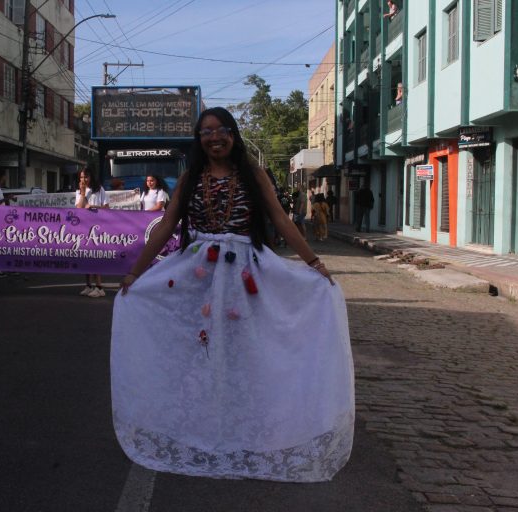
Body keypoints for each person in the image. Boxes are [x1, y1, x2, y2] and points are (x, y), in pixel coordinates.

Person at [112, 107, 354, 482]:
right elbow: (166, 225)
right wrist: (135, 272)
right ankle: (205, 427)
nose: (214, 137)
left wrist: (314, 263)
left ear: (233, 134)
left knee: (245, 351)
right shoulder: (192, 176)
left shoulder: (252, 173)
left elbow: (279, 218)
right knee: (200, 349)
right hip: (197, 274)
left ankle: (246, 429)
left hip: (245, 275)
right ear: (199, 139)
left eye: (221, 129)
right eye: (206, 132)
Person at [76, 166, 109, 297]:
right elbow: (78, 208)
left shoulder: (99, 189)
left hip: (97, 227)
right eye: (81, 177)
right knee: (86, 256)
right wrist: (83, 194)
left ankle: (99, 287)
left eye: (86, 177)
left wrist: (94, 207)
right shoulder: (80, 191)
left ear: (91, 177)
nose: (84, 180)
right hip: (84, 227)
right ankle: (88, 285)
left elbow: (107, 208)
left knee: (95, 256)